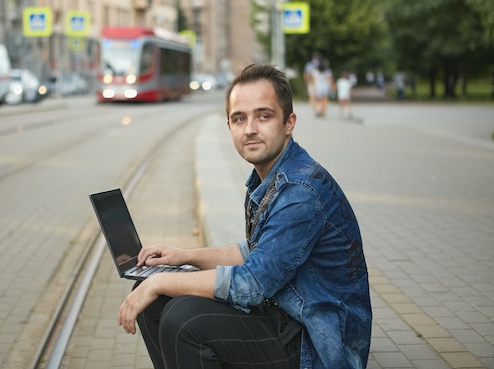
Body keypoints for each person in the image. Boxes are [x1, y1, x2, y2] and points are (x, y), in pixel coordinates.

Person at [118, 63, 372, 369]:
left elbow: (251, 284)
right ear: (229, 127)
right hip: (287, 315)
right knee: (154, 301)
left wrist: (160, 282)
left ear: (288, 122)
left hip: (318, 345)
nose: (250, 128)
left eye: (263, 116)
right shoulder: (271, 176)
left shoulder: (299, 191)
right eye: (239, 119)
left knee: (184, 321)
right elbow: (255, 254)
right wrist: (182, 256)